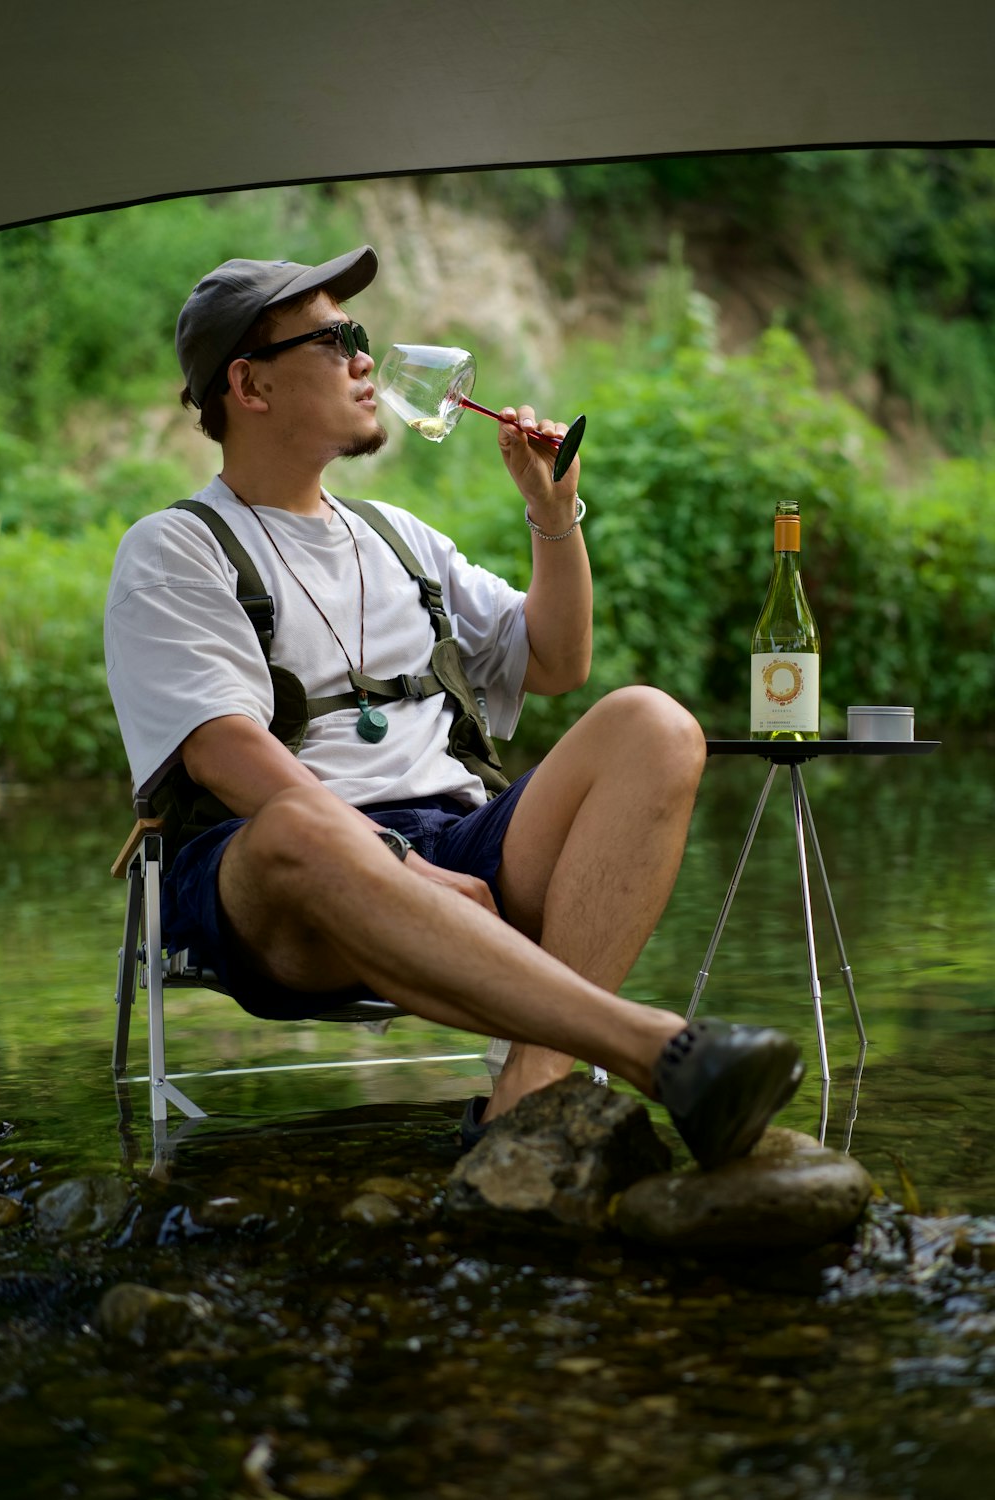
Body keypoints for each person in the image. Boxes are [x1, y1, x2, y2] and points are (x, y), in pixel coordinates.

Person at [104, 245, 804, 1166]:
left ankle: (533, 1078)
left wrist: (553, 514)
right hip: (276, 886)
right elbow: (226, 755)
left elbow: (556, 661)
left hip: (460, 843)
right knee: (298, 829)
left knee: (655, 724)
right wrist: (397, 864)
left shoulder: (400, 539)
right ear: (251, 385)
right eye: (337, 337)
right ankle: (658, 1050)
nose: (367, 357)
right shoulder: (175, 551)